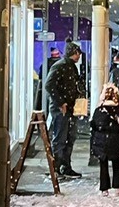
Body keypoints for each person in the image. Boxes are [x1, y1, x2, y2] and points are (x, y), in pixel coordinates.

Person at [45, 39, 83, 178]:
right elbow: (49, 85)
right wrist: (61, 102)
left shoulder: (71, 66)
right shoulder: (59, 66)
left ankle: (65, 166)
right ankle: (56, 168)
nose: (79, 56)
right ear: (73, 53)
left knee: (70, 137)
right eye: (78, 53)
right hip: (61, 109)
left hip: (70, 108)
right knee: (60, 138)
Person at [90, 84, 119, 196]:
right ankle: (117, 186)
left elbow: (93, 125)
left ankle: (104, 188)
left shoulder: (99, 110)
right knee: (115, 163)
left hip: (101, 140)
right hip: (115, 139)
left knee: (103, 164)